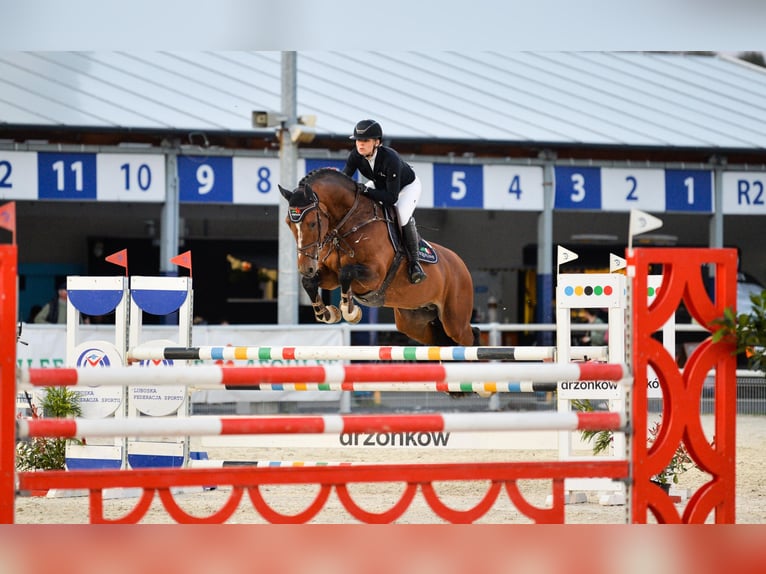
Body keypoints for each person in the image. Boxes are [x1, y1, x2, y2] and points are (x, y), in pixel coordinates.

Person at [342, 119, 426, 284]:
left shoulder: (390, 158)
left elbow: (391, 198)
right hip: (380, 184)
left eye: (365, 141)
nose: (360, 144)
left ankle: (415, 263)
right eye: (358, 140)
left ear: (377, 142)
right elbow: (345, 179)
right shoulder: (355, 156)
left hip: (406, 188)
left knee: (401, 215)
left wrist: (366, 190)